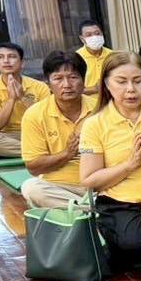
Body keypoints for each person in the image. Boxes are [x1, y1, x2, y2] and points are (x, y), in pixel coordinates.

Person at [78, 52, 141, 273]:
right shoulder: (95, 124)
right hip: (122, 203)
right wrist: (130, 165)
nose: (131, 89)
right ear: (106, 83)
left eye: (137, 81)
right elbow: (90, 181)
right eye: (121, 82)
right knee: (133, 243)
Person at [19, 51, 89, 209]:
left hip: (100, 184)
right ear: (48, 84)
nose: (66, 84)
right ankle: (96, 212)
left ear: (83, 81)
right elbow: (33, 167)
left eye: (73, 77)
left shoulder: (101, 109)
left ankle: (84, 211)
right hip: (60, 187)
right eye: (58, 78)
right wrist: (67, 153)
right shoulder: (35, 114)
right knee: (31, 188)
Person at [0, 41, 50, 157]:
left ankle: (32, 151)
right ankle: (40, 152)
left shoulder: (40, 87)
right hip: (9, 136)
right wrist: (11, 99)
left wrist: (22, 97)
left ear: (22, 63)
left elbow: (46, 119)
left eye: (12, 56)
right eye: (1, 57)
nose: (6, 61)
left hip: (38, 133)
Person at [76, 19, 112, 96]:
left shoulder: (112, 55)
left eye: (97, 33)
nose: (94, 37)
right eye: (89, 35)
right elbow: (73, 91)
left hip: (112, 103)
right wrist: (95, 89)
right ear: (82, 39)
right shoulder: (76, 58)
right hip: (88, 105)